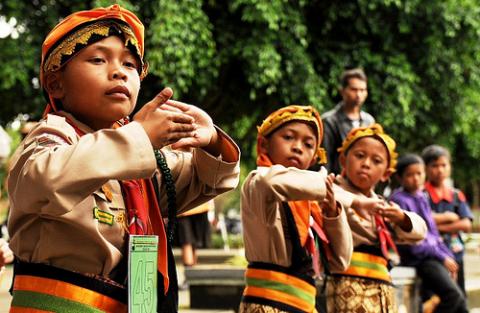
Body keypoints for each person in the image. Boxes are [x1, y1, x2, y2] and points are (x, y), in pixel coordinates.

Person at [6, 5, 240, 313]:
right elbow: (44, 180)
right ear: (55, 84)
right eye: (98, 59)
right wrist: (140, 137)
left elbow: (204, 181)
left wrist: (210, 141)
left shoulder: (140, 159)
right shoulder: (52, 137)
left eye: (130, 65)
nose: (119, 71)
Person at [239, 105, 388, 313]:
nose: (298, 147)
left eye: (308, 144)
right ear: (264, 146)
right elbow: (272, 181)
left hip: (305, 305)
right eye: (288, 137)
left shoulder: (314, 202)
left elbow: (340, 262)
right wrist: (352, 200)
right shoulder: (259, 182)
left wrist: (332, 213)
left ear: (314, 158)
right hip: (268, 305)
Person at [327, 124, 427, 313]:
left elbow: (420, 232)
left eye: (376, 160)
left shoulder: (382, 205)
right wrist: (358, 203)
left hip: (382, 286)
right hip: (347, 285)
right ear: (343, 160)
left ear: (386, 174)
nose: (366, 164)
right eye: (359, 156)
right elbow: (325, 196)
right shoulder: (333, 190)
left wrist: (401, 218)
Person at [390, 153, 468, 313]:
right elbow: (415, 240)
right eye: (410, 175)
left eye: (419, 174)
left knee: (461, 304)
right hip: (419, 259)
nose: (416, 178)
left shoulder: (421, 196)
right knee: (453, 296)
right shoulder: (399, 200)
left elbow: (432, 232)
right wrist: (442, 257)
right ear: (400, 177)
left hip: (432, 256)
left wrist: (447, 256)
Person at [422, 144, 473, 296]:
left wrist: (435, 225)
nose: (440, 170)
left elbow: (466, 224)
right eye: (434, 166)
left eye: (444, 165)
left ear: (449, 167)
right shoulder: (421, 195)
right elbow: (421, 221)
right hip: (433, 256)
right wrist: (449, 219)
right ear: (425, 168)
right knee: (437, 298)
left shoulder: (456, 195)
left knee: (459, 295)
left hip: (456, 255)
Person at [322, 68, 375, 174]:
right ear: (342, 91)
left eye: (362, 90)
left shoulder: (369, 121)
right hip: (337, 182)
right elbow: (324, 159)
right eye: (354, 89)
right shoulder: (329, 121)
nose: (358, 94)